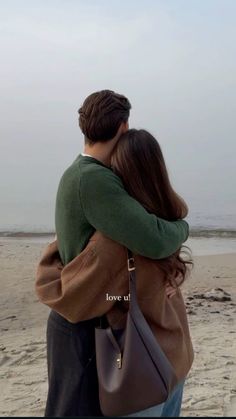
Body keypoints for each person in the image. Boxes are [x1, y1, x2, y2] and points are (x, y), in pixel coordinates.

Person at [38, 90, 190, 417]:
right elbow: (154, 239)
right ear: (123, 127)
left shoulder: (78, 174)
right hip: (91, 316)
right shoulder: (94, 179)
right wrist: (182, 228)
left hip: (90, 307)